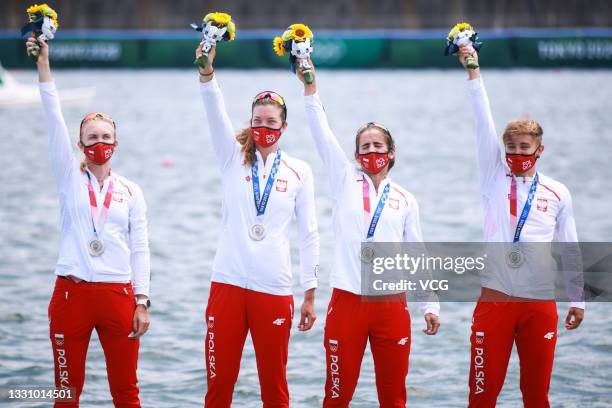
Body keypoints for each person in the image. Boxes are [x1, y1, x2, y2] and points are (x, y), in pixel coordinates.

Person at [295, 60, 440, 408]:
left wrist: (429, 306)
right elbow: (320, 130)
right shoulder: (343, 178)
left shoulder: (405, 199)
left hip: (392, 305)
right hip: (347, 303)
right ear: (356, 154)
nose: (372, 152)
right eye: (365, 146)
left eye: (378, 146)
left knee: (393, 398)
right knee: (337, 395)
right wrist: (309, 86)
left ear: (390, 154)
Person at [26, 36, 151, 407]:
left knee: (126, 393)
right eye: (92, 138)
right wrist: (43, 64)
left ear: (116, 143)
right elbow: (52, 114)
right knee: (66, 394)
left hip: (118, 296)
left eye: (106, 137)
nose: (100, 143)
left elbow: (141, 248)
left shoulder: (131, 191)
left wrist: (142, 300)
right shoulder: (68, 178)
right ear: (80, 145)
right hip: (72, 295)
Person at [458, 46, 585, 407]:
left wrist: (579, 300)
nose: (516, 154)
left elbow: (570, 247)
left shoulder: (558, 192)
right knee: (482, 396)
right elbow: (483, 121)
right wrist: (473, 71)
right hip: (495, 299)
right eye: (510, 147)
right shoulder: (492, 177)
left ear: (539, 150)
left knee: (536, 396)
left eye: (524, 147)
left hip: (539, 303)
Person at [195, 43, 320, 408]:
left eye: (271, 122)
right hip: (228, 287)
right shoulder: (230, 157)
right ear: (250, 122)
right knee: (219, 390)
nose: (263, 127)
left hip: (274, 290)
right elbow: (213, 109)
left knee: (274, 390)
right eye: (258, 120)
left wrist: (310, 291)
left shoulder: (300, 171)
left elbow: (309, 232)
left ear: (283, 126)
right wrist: (206, 73)